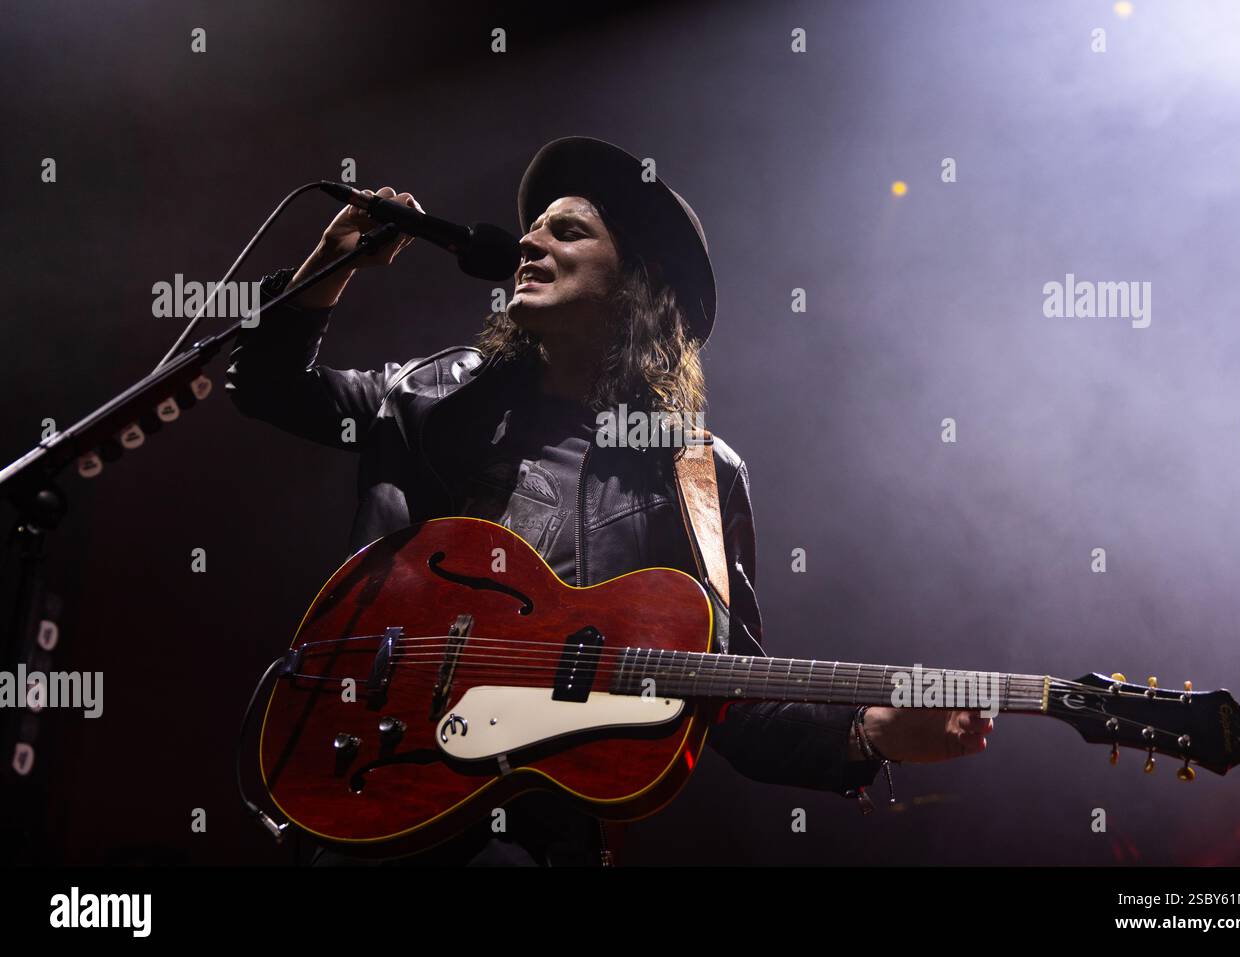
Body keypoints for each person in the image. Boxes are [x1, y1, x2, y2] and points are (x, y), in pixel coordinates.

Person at [226, 136, 994, 866]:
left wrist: (871, 731)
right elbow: (268, 387)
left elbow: (734, 696)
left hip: (526, 828)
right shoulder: (432, 391)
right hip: (370, 767)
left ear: (638, 282)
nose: (529, 245)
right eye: (530, 230)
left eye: (566, 231)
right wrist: (328, 265)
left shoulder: (698, 476)